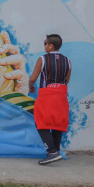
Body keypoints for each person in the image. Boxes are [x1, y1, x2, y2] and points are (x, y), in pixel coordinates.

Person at [28, 34, 72, 165]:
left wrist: (31, 87)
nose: (44, 46)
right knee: (57, 122)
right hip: (61, 94)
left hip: (47, 94)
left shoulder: (42, 59)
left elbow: (32, 79)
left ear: (51, 45)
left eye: (45, 43)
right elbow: (67, 80)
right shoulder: (68, 60)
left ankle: (52, 152)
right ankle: (55, 150)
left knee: (40, 121)